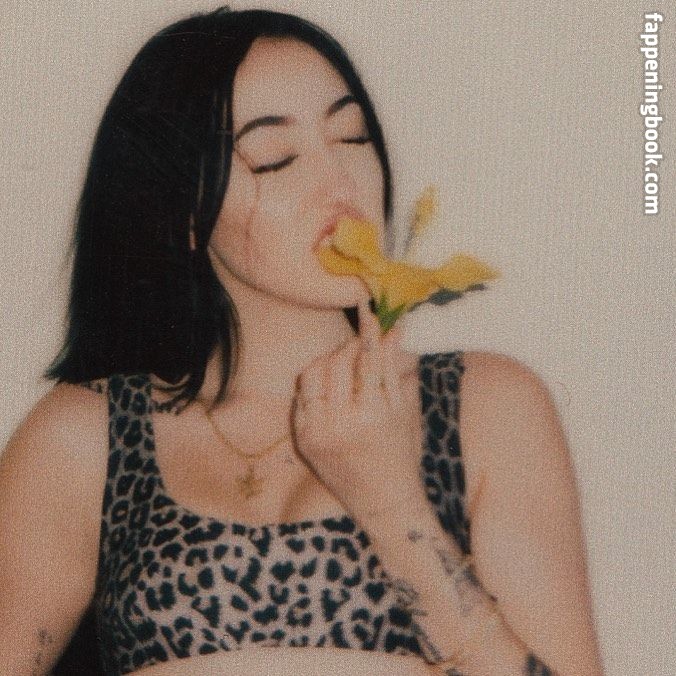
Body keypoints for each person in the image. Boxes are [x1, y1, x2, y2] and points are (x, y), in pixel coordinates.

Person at [0, 7, 604, 675]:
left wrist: (391, 502)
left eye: (352, 136)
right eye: (275, 158)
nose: (340, 183)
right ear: (181, 211)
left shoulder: (485, 407)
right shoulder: (87, 438)